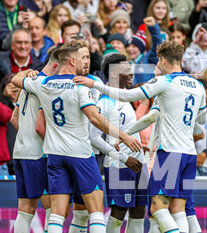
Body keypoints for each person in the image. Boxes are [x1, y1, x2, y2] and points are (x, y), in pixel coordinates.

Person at [73, 41, 207, 233]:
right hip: (183, 155)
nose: (132, 73)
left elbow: (131, 97)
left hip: (168, 153)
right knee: (178, 209)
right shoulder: (197, 85)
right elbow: (196, 120)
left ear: (162, 60)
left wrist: (95, 84)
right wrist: (126, 139)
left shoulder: (164, 83)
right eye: (126, 69)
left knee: (157, 208)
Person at [11, 40, 142, 233]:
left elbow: (15, 79)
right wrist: (124, 136)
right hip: (81, 154)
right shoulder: (79, 86)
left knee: (56, 214)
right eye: (84, 57)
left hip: (54, 156)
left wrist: (29, 72)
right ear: (72, 61)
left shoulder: (43, 83)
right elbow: (95, 119)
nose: (87, 61)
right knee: (96, 211)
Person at [89, 53, 147, 233]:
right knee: (119, 211)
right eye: (126, 70)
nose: (131, 74)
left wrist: (138, 146)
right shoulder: (104, 102)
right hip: (119, 165)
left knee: (139, 210)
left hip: (139, 162)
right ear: (114, 74)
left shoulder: (124, 98)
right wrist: (123, 157)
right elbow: (93, 137)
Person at [11, 48, 60, 233]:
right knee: (53, 208)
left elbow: (14, 119)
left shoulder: (28, 81)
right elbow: (40, 127)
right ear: (56, 65)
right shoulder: (46, 85)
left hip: (21, 151)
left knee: (25, 210)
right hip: (38, 154)